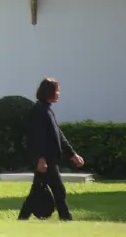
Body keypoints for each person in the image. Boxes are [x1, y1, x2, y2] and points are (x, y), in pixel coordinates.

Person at [19, 77, 84, 221]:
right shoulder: (38, 111)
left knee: (37, 190)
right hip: (46, 159)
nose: (59, 93)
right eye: (57, 90)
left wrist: (72, 154)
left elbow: (58, 135)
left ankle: (23, 217)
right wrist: (40, 159)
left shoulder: (47, 110)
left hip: (50, 158)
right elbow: (36, 137)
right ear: (49, 92)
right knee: (58, 190)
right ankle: (66, 217)